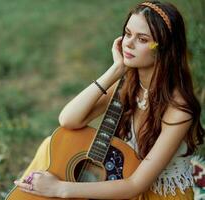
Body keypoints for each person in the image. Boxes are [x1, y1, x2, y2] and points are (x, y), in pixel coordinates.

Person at [13, 1, 205, 199]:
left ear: (164, 48)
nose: (128, 43)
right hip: (123, 176)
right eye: (128, 34)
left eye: (142, 39)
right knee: (49, 145)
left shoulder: (179, 109)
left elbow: (135, 185)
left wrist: (61, 189)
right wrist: (115, 70)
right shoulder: (129, 83)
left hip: (156, 193)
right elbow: (69, 120)